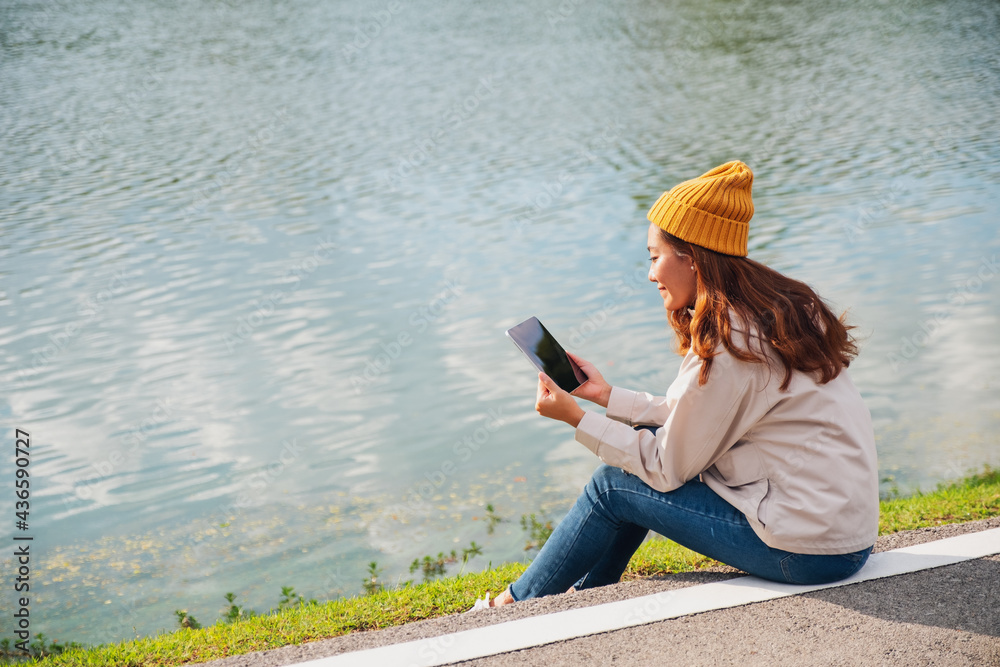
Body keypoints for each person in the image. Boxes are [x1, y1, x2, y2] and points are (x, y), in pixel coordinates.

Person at [470, 160, 878, 611]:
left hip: (805, 552)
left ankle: (513, 606)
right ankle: (582, 599)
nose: (650, 274)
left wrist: (577, 419)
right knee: (634, 452)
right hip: (841, 535)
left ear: (692, 256)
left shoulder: (729, 341)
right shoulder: (781, 306)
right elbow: (703, 417)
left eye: (654, 256)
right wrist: (606, 397)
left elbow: (668, 468)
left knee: (612, 485)